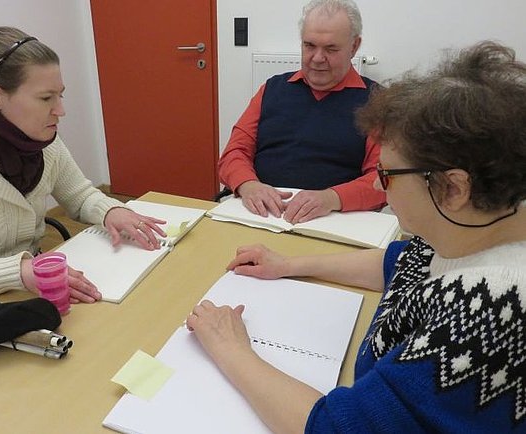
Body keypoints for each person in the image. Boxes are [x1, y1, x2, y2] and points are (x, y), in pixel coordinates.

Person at [187, 41, 526, 432]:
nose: (380, 190)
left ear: (453, 188)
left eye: (387, 176)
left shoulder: (488, 314)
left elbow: (337, 427)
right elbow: (402, 262)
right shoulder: (477, 225)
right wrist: (288, 264)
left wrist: (231, 348)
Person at [0, 27, 167, 306]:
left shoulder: (43, 141)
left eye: (60, 95)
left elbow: (80, 196)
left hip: (32, 291)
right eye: (45, 98)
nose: (60, 110)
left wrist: (111, 210)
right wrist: (18, 272)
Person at [217, 0, 386, 224]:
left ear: (354, 46)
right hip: (260, 214)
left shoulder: (377, 103)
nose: (317, 58)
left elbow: (385, 178)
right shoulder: (272, 88)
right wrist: (248, 185)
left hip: (335, 220)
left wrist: (332, 198)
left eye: (331, 49)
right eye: (309, 46)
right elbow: (234, 153)